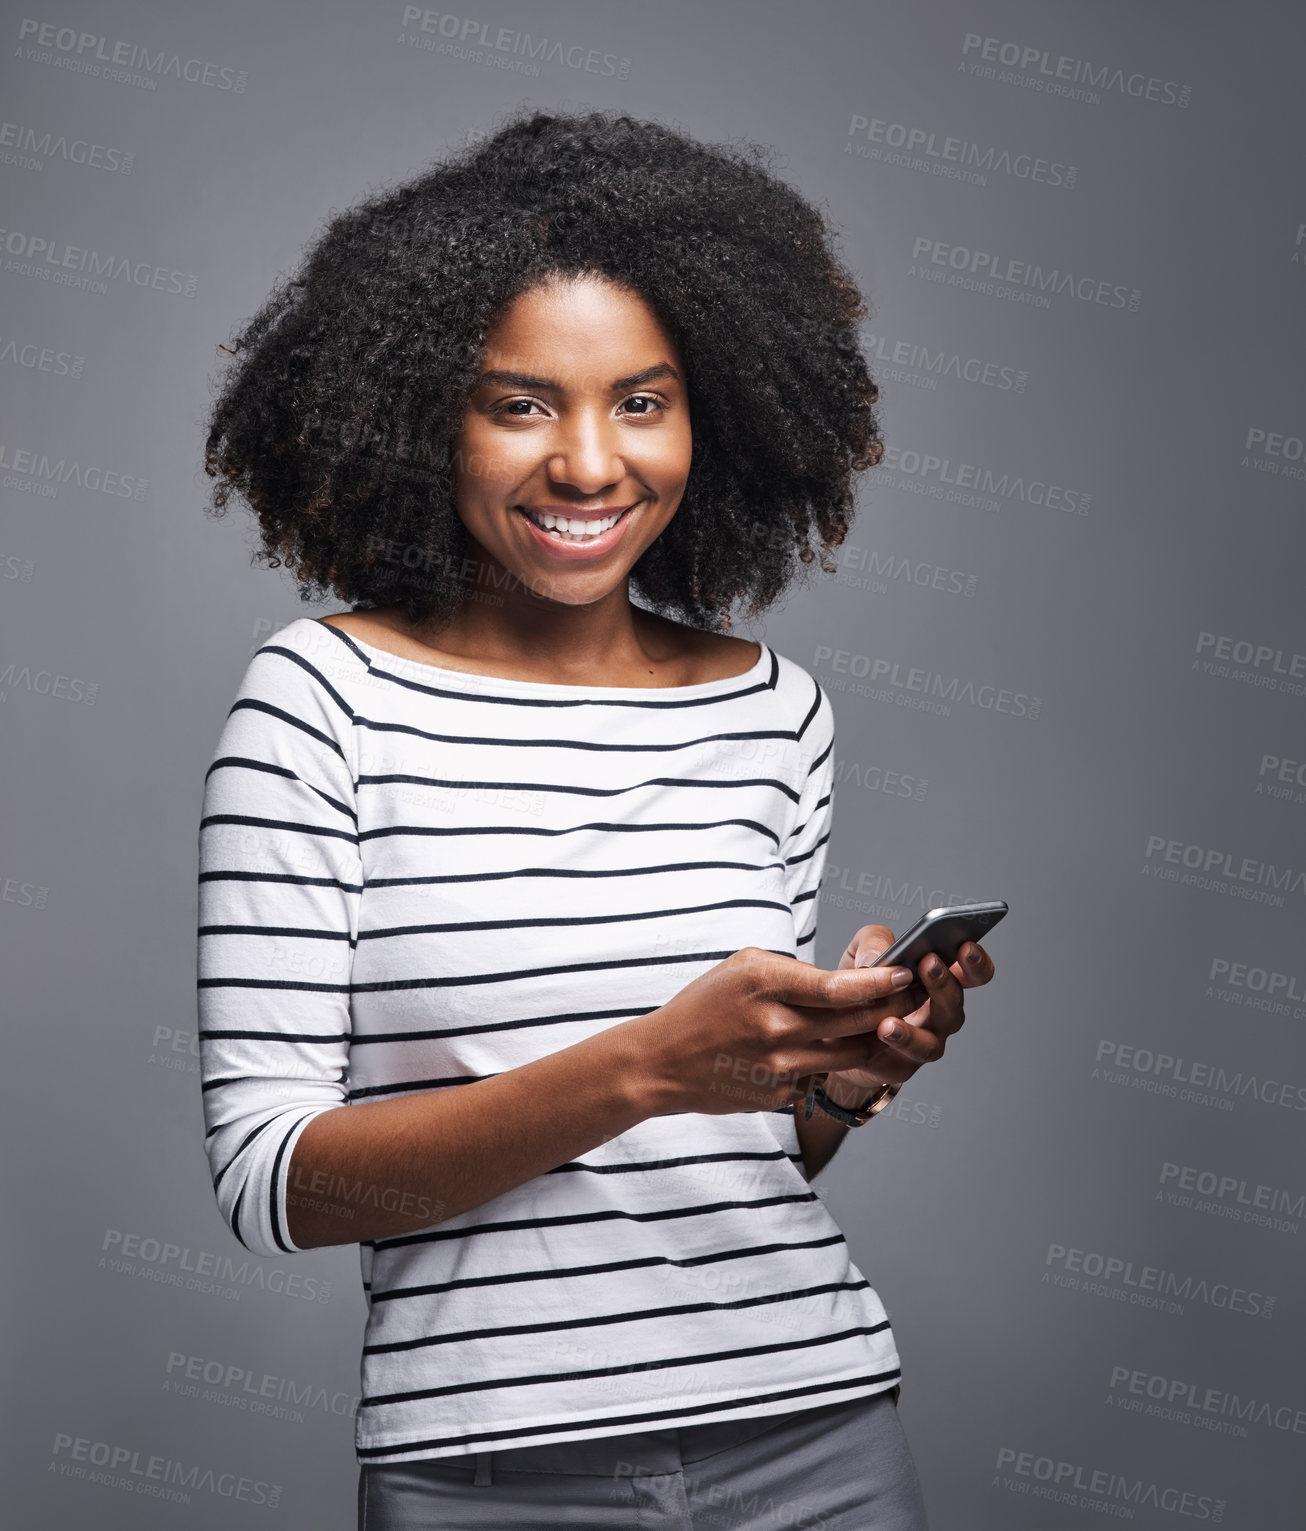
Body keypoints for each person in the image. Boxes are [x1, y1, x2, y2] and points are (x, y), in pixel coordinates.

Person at [198, 108, 995, 1530]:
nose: (586, 464)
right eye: (518, 403)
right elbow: (274, 1182)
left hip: (817, 1430)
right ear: (415, 416)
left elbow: (735, 1151)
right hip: (488, 1470)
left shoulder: (772, 710)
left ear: (720, 414)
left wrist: (837, 1076)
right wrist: (642, 1065)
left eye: (641, 400)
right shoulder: (320, 701)